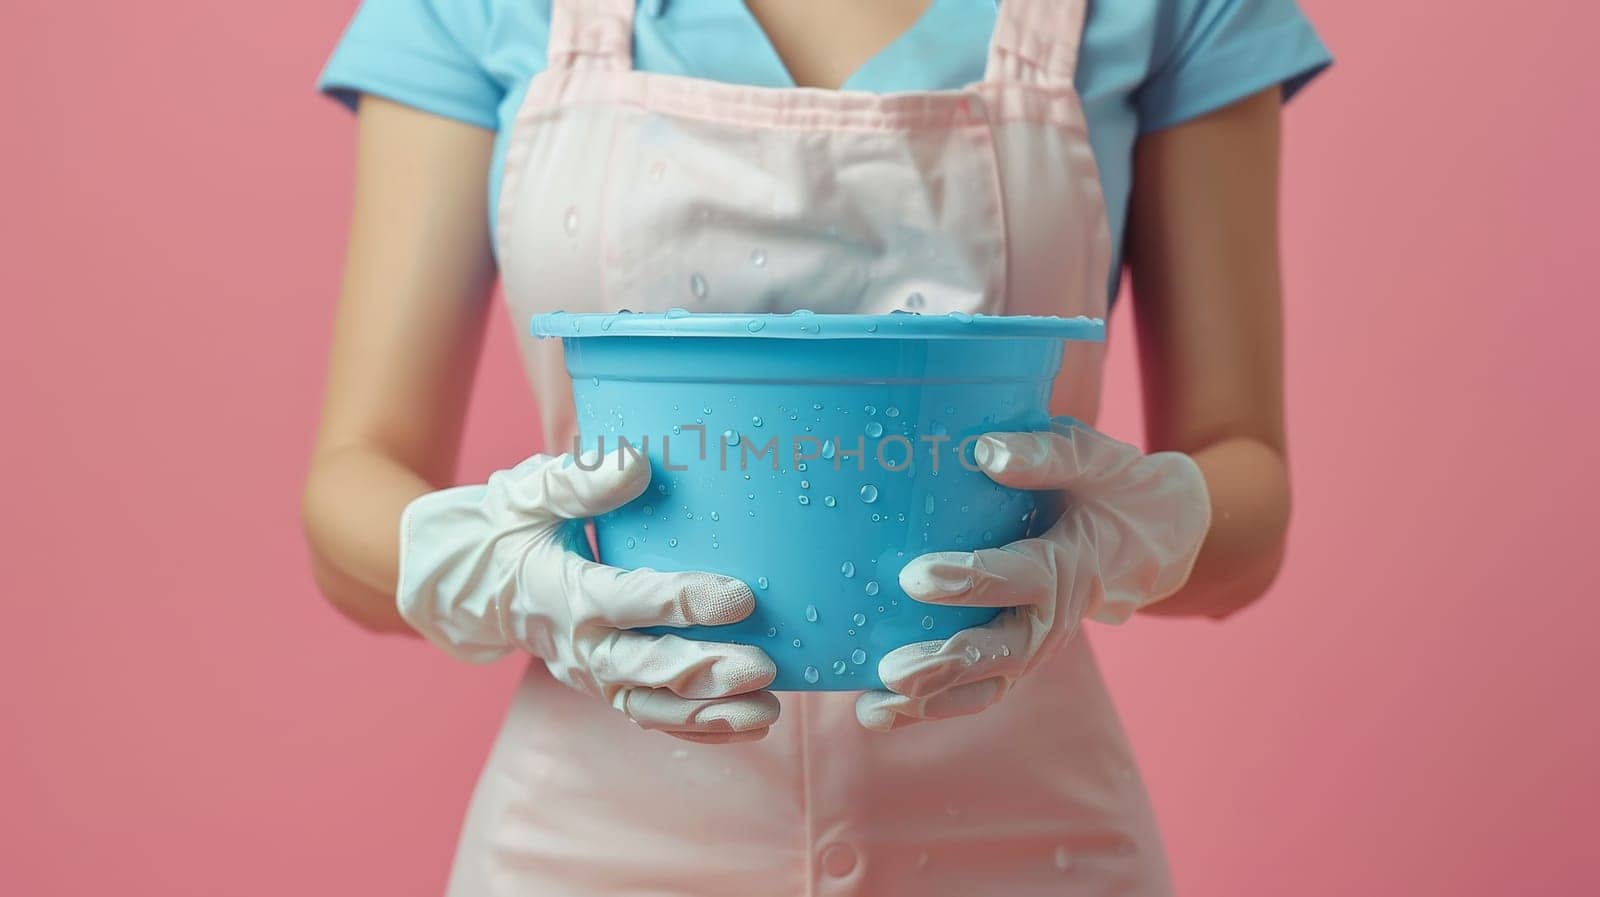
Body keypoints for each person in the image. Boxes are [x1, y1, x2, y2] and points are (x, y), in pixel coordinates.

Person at [302, 0, 1330, 893]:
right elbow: (354, 484)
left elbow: (1246, 499)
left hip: (1032, 850)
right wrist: (491, 568)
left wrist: (1136, 530)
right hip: (592, 849)